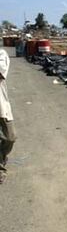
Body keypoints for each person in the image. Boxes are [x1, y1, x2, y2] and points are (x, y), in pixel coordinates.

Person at [0, 48, 16, 183]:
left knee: (10, 137)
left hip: (1, 107)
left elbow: (0, 73)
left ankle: (2, 155)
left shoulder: (1, 54)